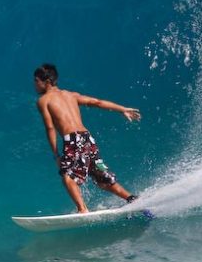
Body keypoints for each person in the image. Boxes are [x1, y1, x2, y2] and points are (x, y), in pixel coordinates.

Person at [34, 63, 141, 213]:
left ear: (46, 82)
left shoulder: (43, 101)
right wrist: (122, 109)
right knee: (101, 175)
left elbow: (50, 128)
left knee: (68, 177)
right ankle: (131, 198)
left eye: (36, 81)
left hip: (73, 140)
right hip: (88, 139)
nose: (35, 85)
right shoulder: (71, 95)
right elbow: (96, 102)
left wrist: (56, 155)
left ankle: (82, 209)